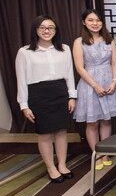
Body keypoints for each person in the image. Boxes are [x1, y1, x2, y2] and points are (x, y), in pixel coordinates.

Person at [15, 15, 77, 183]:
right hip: (38, 94)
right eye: (43, 27)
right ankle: (51, 167)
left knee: (62, 131)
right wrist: (24, 105)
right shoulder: (25, 52)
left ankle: (62, 164)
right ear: (36, 30)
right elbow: (21, 80)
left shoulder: (64, 49)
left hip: (60, 92)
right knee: (44, 134)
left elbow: (70, 74)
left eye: (51, 28)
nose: (47, 31)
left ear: (55, 31)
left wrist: (72, 96)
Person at [72, 9, 116, 171]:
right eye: (91, 20)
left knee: (106, 120)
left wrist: (114, 81)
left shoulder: (109, 40)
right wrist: (95, 86)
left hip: (108, 82)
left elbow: (114, 62)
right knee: (92, 122)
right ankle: (96, 154)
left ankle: (105, 151)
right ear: (84, 22)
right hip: (89, 84)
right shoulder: (79, 42)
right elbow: (79, 67)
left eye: (98, 20)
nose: (95, 23)